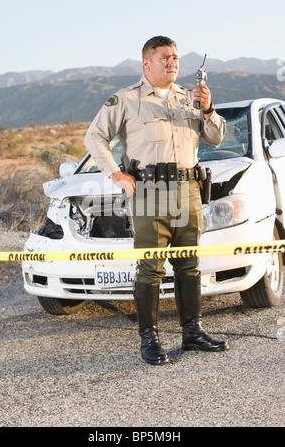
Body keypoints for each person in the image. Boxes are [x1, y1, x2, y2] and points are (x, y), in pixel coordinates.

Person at [85, 36, 229, 365]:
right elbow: (94, 137)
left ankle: (192, 332)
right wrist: (116, 174)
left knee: (189, 263)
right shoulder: (125, 99)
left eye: (175, 57)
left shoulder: (189, 99)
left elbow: (217, 136)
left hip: (188, 190)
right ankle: (149, 340)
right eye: (164, 57)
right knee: (150, 268)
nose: (172, 62)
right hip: (148, 193)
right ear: (146, 63)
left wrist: (207, 108)